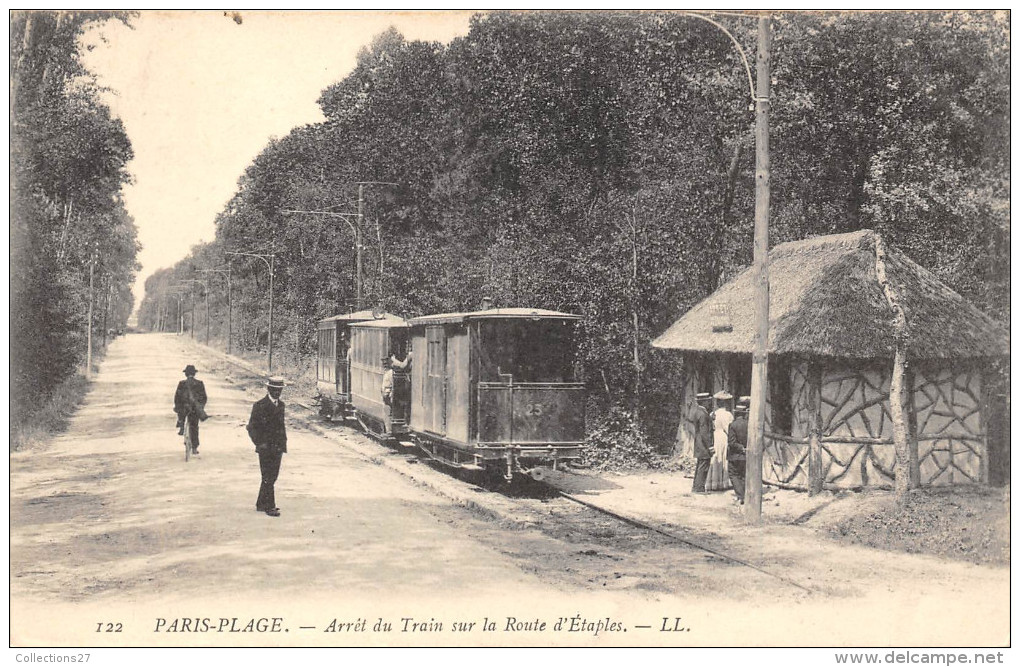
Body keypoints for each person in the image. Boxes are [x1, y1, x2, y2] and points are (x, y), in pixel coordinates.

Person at [246, 376, 288, 517]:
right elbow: (251, 427)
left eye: (280, 390)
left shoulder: (281, 405)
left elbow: (281, 427)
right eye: (275, 390)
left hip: (278, 447)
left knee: (272, 476)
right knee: (268, 476)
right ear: (268, 389)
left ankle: (260, 503)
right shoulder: (259, 406)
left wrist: (283, 443)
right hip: (265, 447)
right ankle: (270, 506)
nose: (277, 393)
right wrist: (259, 443)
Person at [173, 364, 208, 456]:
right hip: (194, 409)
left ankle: (181, 424)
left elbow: (177, 397)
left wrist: (177, 407)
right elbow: (204, 397)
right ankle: (194, 448)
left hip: (184, 408)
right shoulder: (199, 383)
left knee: (181, 412)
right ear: (194, 374)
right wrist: (200, 407)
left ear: (186, 374)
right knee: (194, 426)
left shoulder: (182, 383)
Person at [707, 391, 734, 491]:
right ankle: (723, 482)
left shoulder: (712, 414)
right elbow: (728, 428)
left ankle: (713, 482)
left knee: (716, 456)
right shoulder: (727, 415)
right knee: (723, 456)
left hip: (715, 436)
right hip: (723, 436)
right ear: (726, 403)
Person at [727, 396, 750, 503]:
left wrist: (740, 448)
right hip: (746, 454)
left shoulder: (733, 425)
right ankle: (744, 495)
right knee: (743, 475)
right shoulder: (749, 425)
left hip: (735, 455)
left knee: (733, 474)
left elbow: (731, 442)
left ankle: (741, 496)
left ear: (736, 413)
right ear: (745, 413)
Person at [691, 392, 714, 494]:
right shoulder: (703, 414)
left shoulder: (698, 412)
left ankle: (696, 487)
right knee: (703, 466)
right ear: (704, 402)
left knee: (700, 465)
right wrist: (710, 446)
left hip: (699, 443)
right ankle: (699, 488)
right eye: (708, 401)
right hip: (703, 445)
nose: (709, 403)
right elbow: (705, 432)